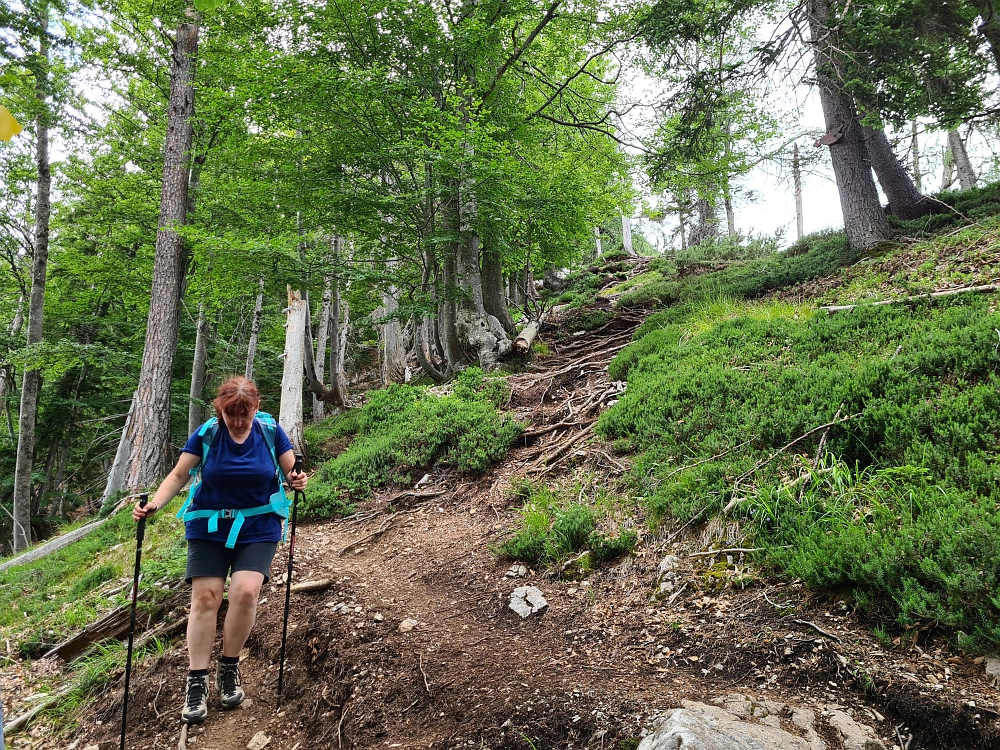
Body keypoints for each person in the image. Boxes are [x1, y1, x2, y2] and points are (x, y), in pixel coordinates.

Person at [133, 376, 307, 724]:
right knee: (206, 598)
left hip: (258, 525)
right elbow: (180, 474)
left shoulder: (270, 432)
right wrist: (155, 503)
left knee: (245, 592)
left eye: (245, 414)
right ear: (221, 411)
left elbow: (293, 473)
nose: (238, 421)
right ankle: (196, 681)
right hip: (208, 526)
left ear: (256, 408)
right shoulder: (208, 433)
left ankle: (229, 667)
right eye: (232, 415)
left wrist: (298, 480)